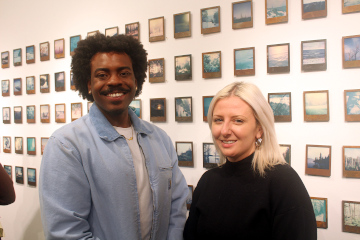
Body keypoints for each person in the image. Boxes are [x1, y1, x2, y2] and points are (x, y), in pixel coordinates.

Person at [39, 34, 189, 240]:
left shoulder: (159, 139)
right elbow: (65, 232)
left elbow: (176, 207)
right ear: (89, 84)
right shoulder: (67, 145)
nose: (115, 81)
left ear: (136, 81)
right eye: (102, 75)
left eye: (124, 73)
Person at [183, 82, 317, 240]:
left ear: (259, 129)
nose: (225, 130)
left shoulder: (283, 182)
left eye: (238, 121)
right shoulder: (208, 181)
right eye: (218, 120)